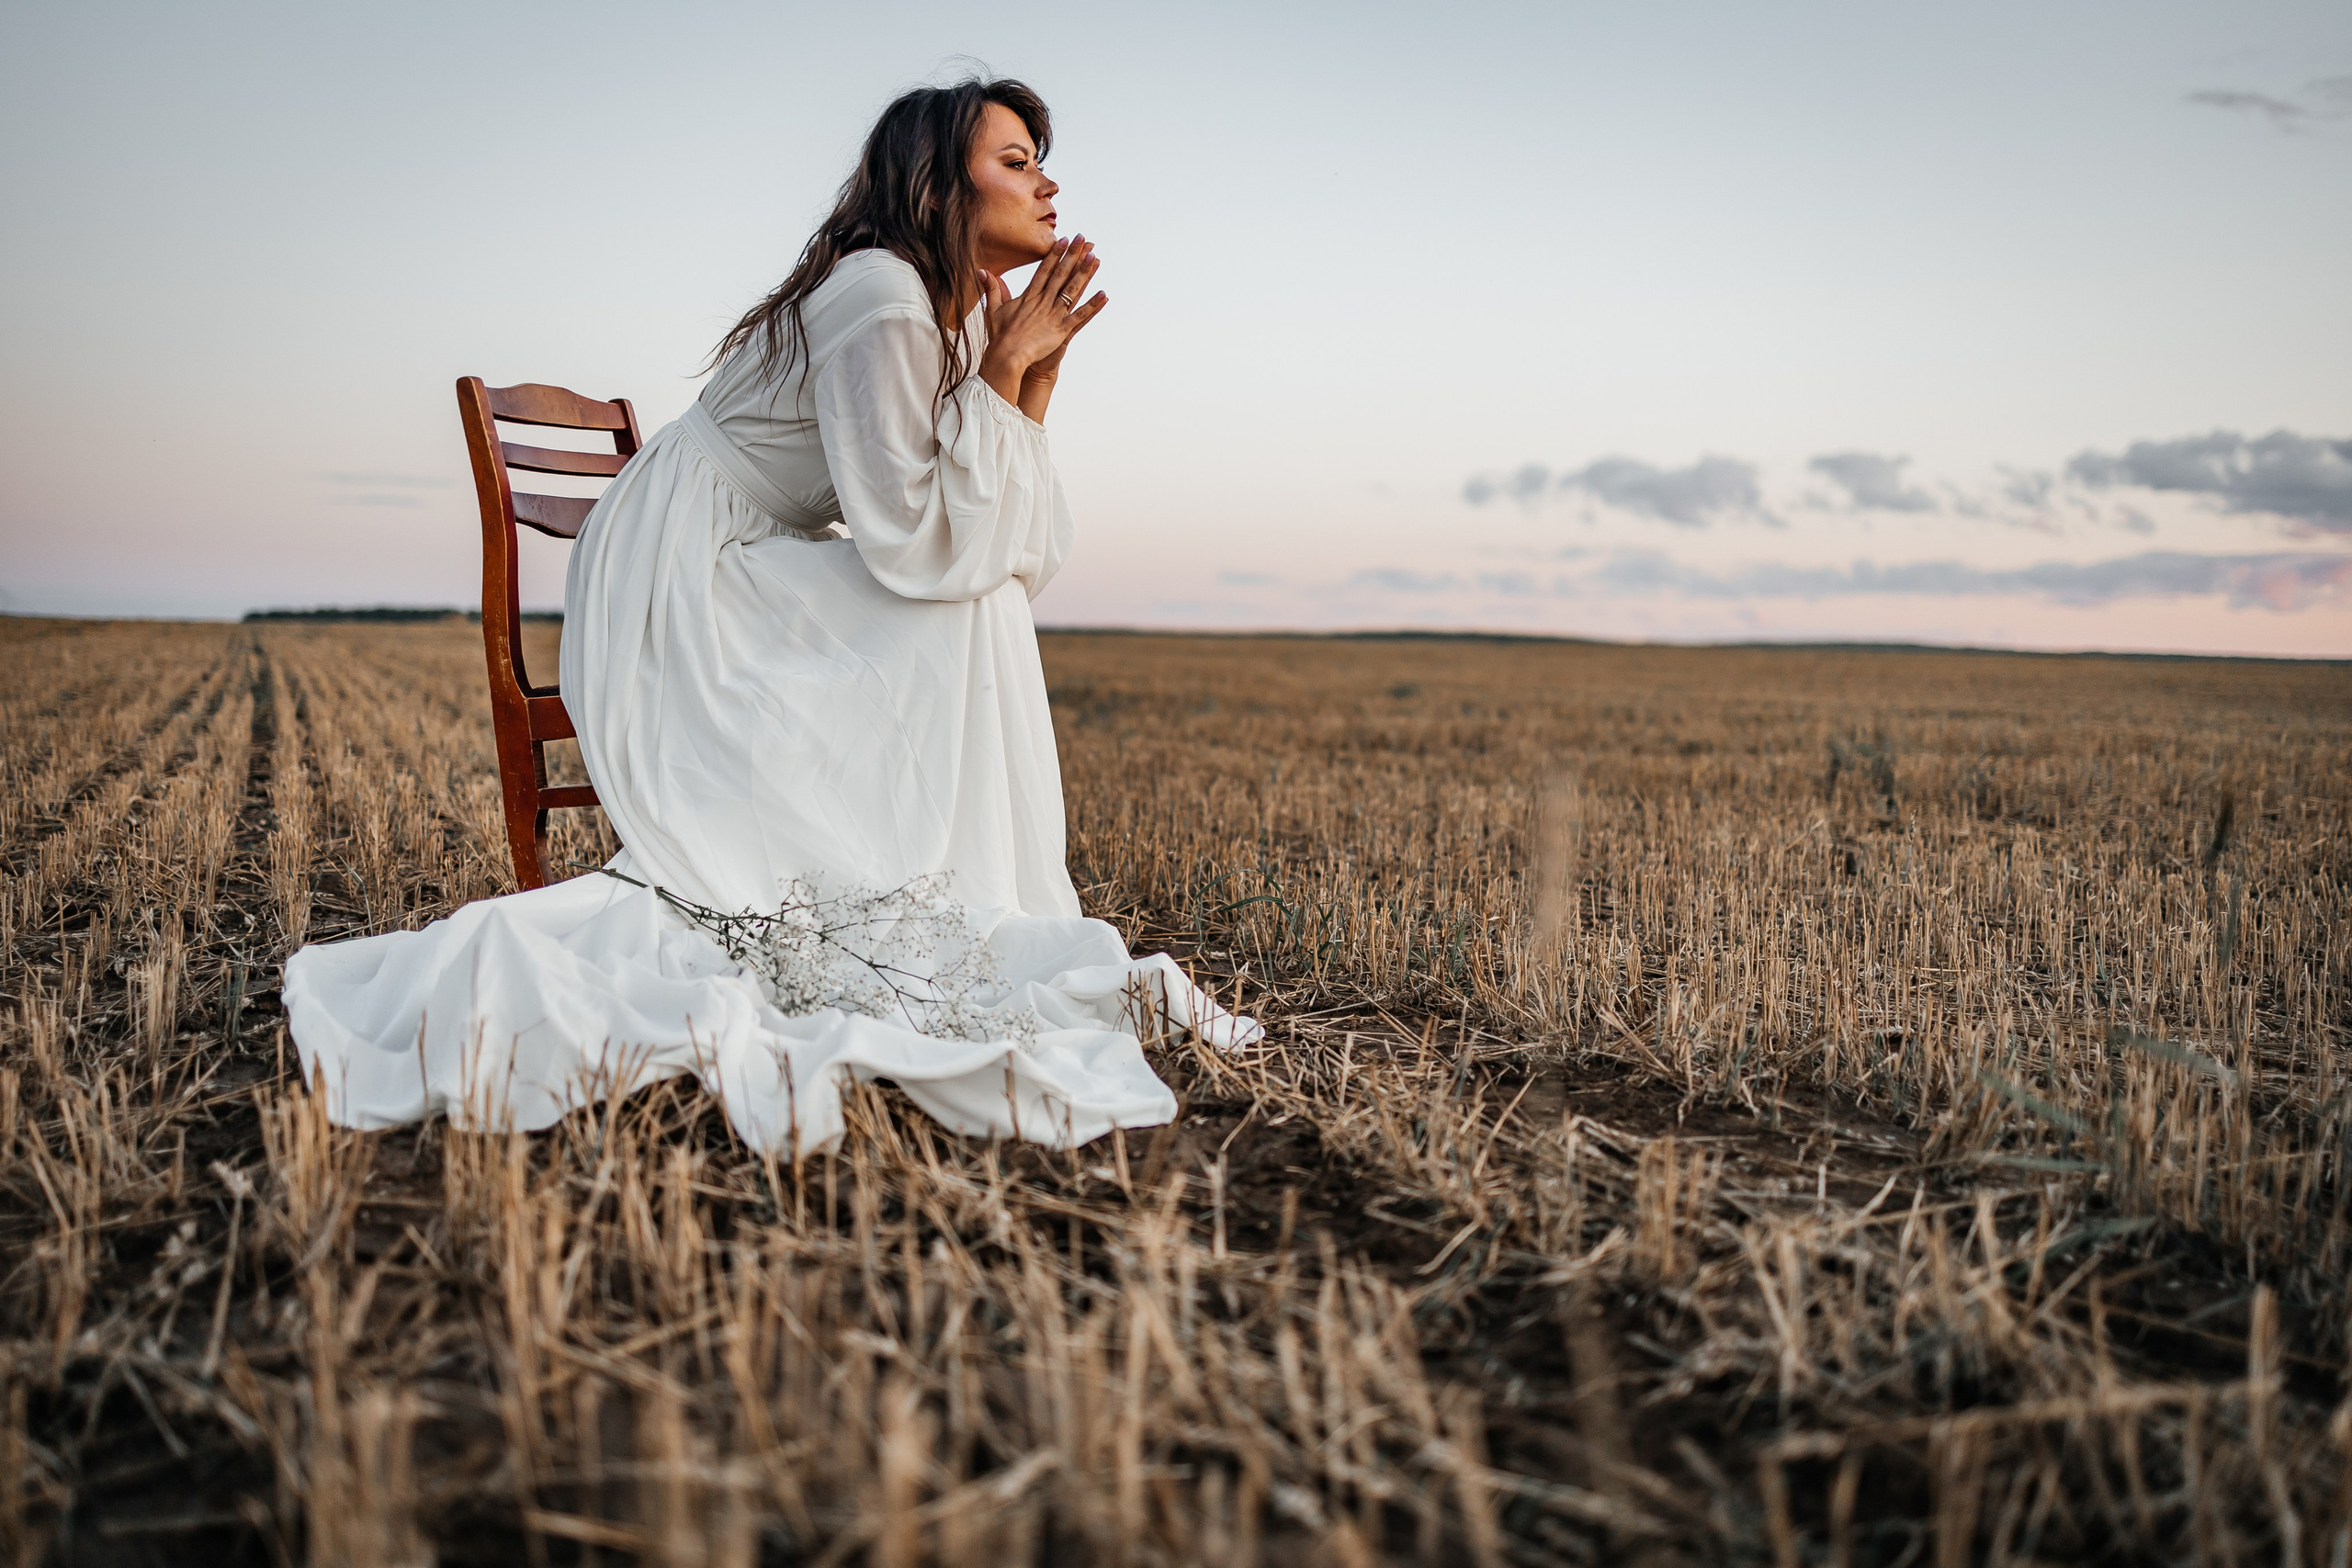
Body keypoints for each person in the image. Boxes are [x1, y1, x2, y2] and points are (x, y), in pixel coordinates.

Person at [284, 77, 1258, 1154]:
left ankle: (960, 899)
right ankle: (937, 893)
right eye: (1015, 161)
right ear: (939, 181)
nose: (1047, 181)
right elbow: (915, 532)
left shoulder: (961, 307)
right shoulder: (885, 295)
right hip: (686, 573)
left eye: (1039, 160)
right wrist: (1006, 374)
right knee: (953, 606)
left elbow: (1009, 551)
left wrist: (1026, 374)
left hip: (758, 553)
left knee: (973, 605)